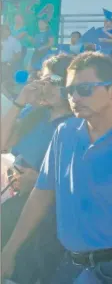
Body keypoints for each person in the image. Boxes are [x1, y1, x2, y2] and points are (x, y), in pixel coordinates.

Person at [1, 52, 112, 283]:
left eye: (85, 89)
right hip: (69, 265)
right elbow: (41, 194)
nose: (75, 97)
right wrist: (10, 249)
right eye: (70, 91)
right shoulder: (64, 133)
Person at [0, 54, 73, 284]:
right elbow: (3, 143)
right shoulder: (35, 114)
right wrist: (21, 100)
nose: (46, 85)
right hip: (14, 205)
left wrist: (40, 179)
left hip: (46, 219)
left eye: (54, 79)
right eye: (44, 78)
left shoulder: (76, 124)